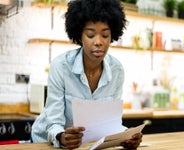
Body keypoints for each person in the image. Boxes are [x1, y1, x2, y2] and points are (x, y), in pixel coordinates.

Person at [31, 0, 143, 149]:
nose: (98, 42)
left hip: (81, 146)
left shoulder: (117, 70)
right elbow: (54, 123)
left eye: (105, 35)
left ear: (112, 36)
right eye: (90, 35)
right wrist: (62, 137)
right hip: (45, 142)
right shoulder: (61, 66)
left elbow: (110, 123)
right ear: (80, 36)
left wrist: (127, 136)